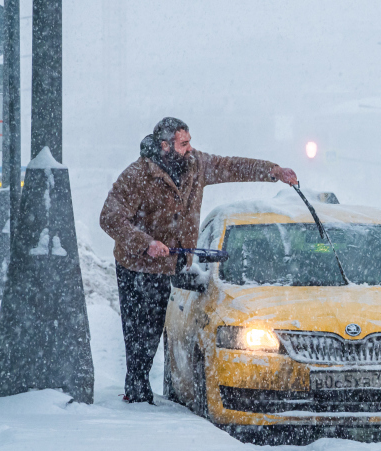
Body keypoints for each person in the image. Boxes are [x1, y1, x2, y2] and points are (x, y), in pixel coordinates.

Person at [100, 117, 297, 403]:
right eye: (184, 143)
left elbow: (231, 166)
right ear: (165, 146)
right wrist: (147, 243)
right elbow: (109, 217)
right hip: (135, 264)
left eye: (190, 141)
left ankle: (139, 387)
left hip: (171, 261)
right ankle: (137, 390)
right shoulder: (137, 175)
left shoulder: (196, 165)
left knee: (154, 326)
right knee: (138, 331)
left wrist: (273, 170)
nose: (190, 148)